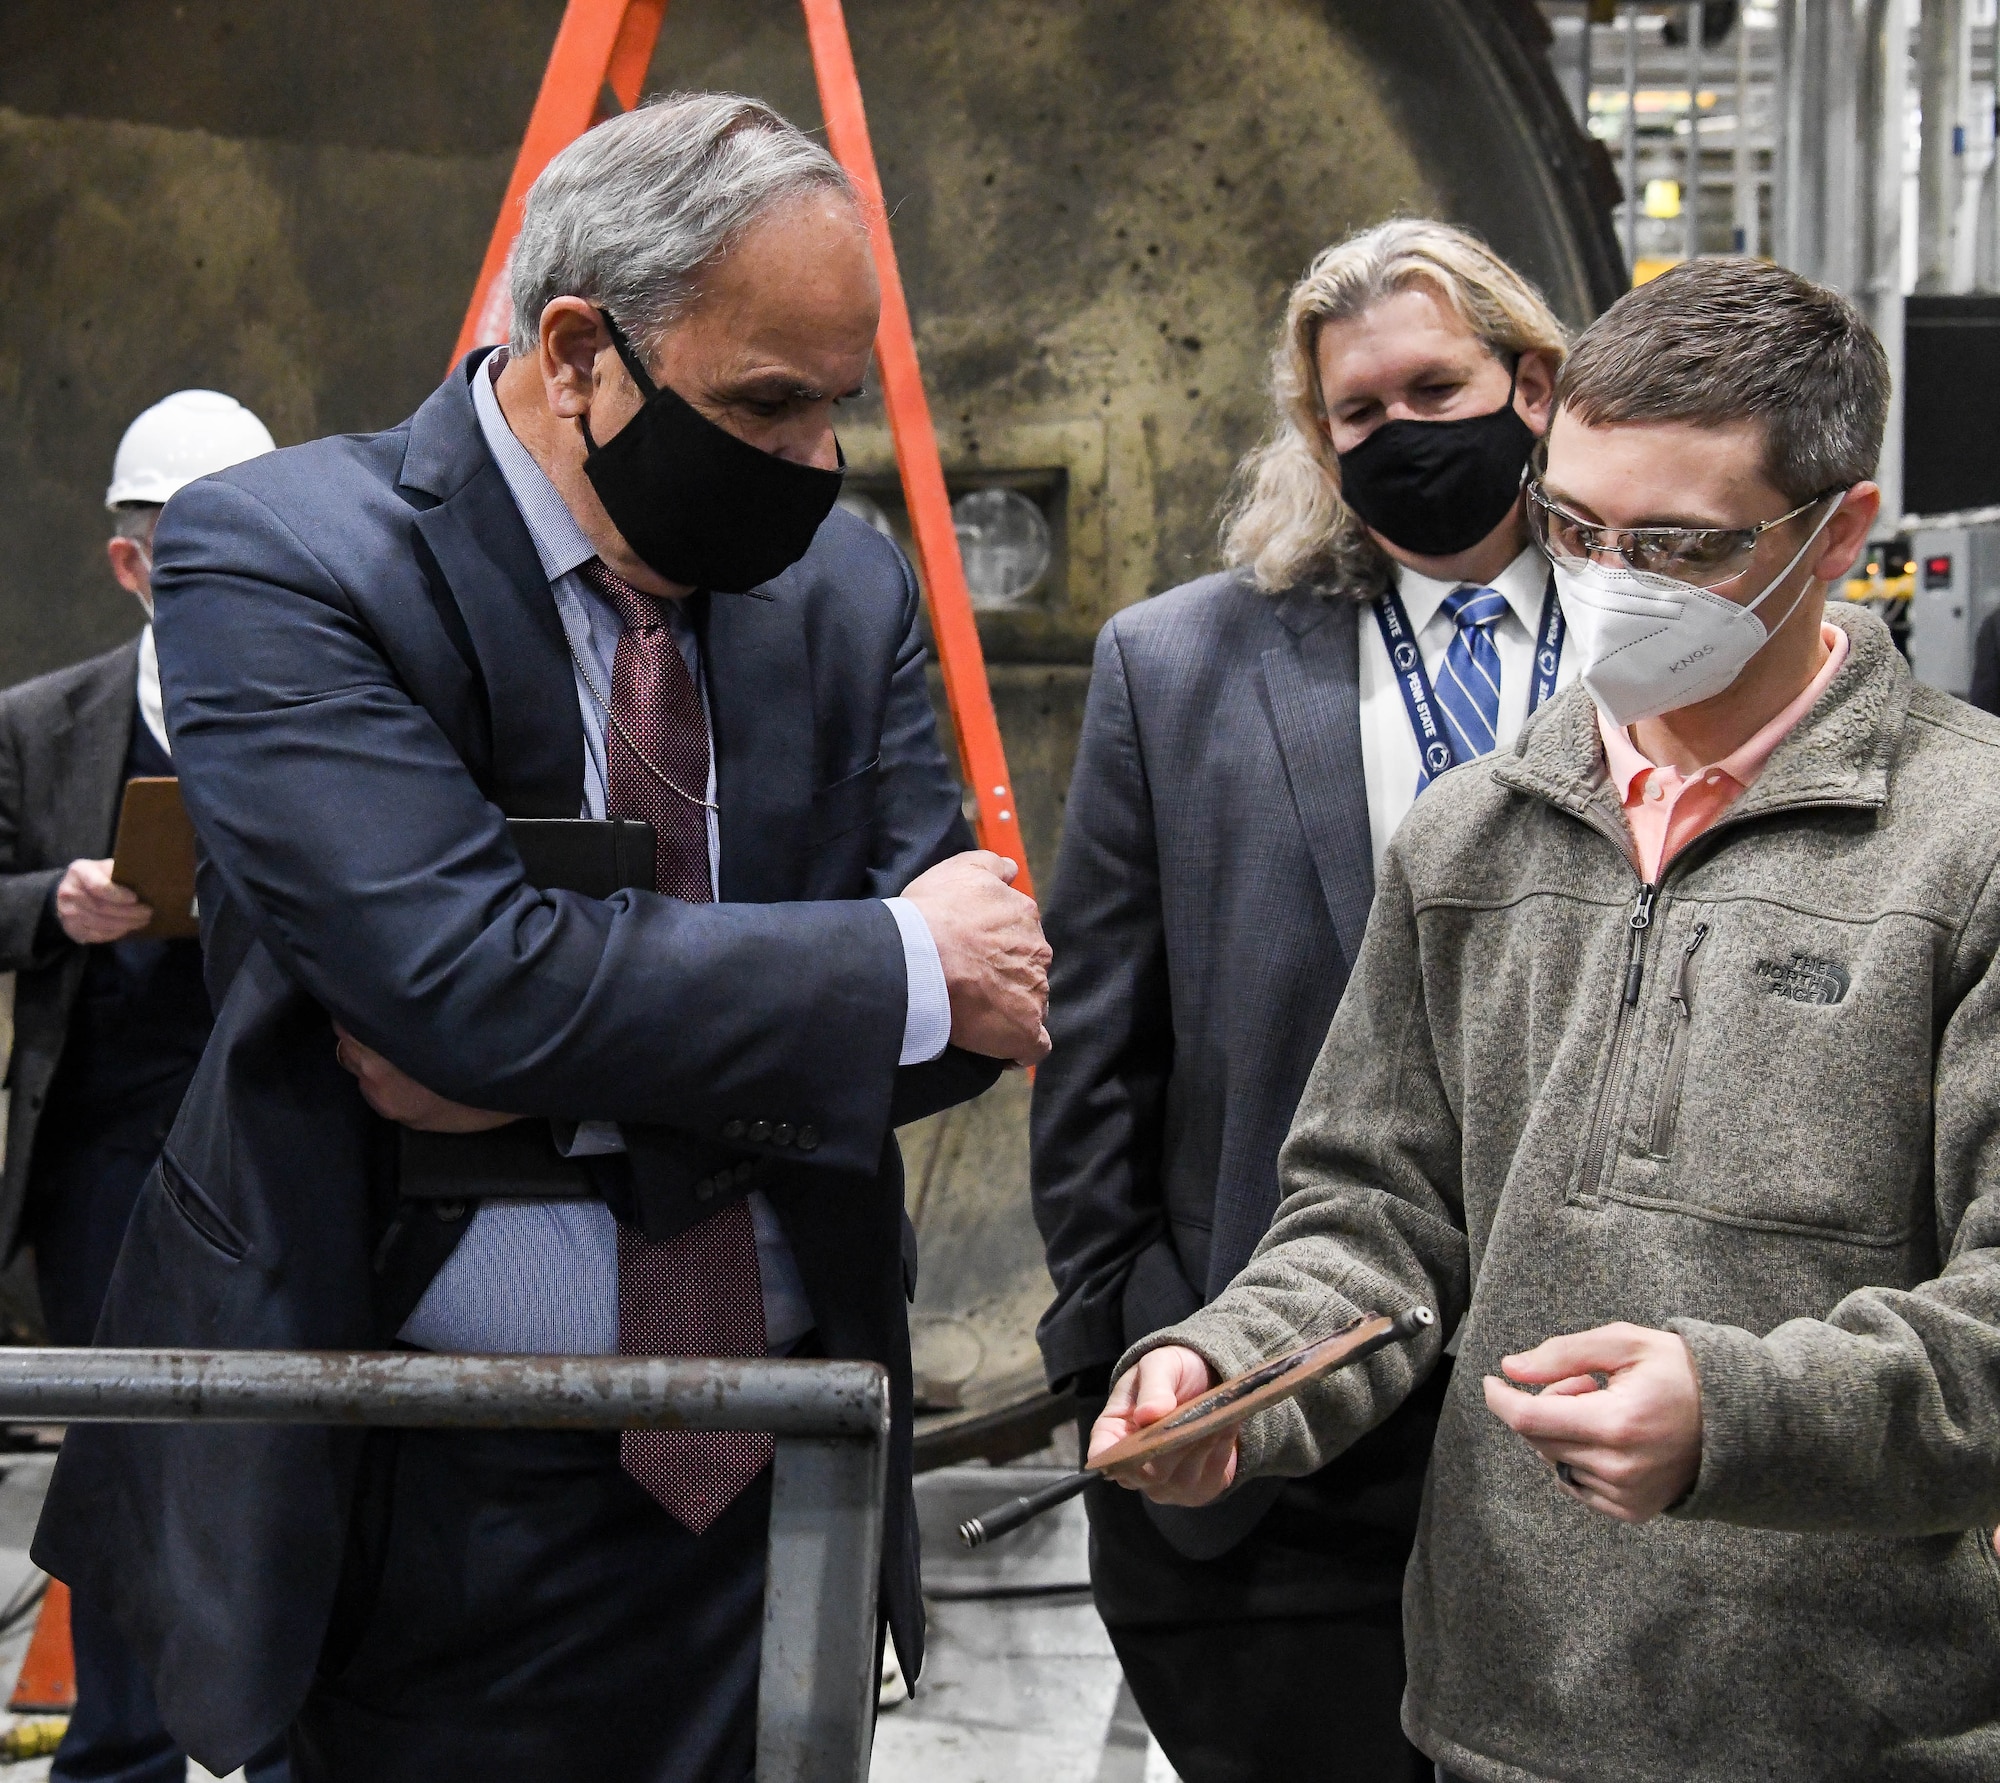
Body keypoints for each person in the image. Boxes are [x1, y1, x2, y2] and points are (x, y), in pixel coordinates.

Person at [34, 92, 1050, 1782]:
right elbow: (453, 975)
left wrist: (548, 1055)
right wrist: (856, 970)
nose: (812, 461)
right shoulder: (287, 556)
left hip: (775, 1470)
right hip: (416, 1481)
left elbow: (977, 1007)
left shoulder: (840, 590)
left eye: (836, 410)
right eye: (766, 405)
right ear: (578, 350)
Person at [1091, 255, 2000, 1782]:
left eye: (1681, 544)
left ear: (1841, 533)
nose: (1611, 578)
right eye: (1577, 526)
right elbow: (1374, 1218)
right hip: (1504, 1720)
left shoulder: (1966, 846)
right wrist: (1234, 1369)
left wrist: (1734, 1414)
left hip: (1856, 1729)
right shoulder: (1473, 836)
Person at [1029, 220, 1572, 1782]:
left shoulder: (1650, 650)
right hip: (1278, 1435)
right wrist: (1113, 1340)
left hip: (1590, 1431)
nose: (1401, 434)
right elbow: (1101, 1049)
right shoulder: (1181, 667)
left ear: (1531, 384)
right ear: (1317, 435)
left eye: (1436, 387)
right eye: (1359, 413)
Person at [0, 390, 284, 1783]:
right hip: (110, 1146)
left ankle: (292, 1745)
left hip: (280, 1136)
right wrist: (51, 905)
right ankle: (118, 1755)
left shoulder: (323, 716)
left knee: (289, 1454)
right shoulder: (45, 727)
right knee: (121, 1455)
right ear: (133, 564)